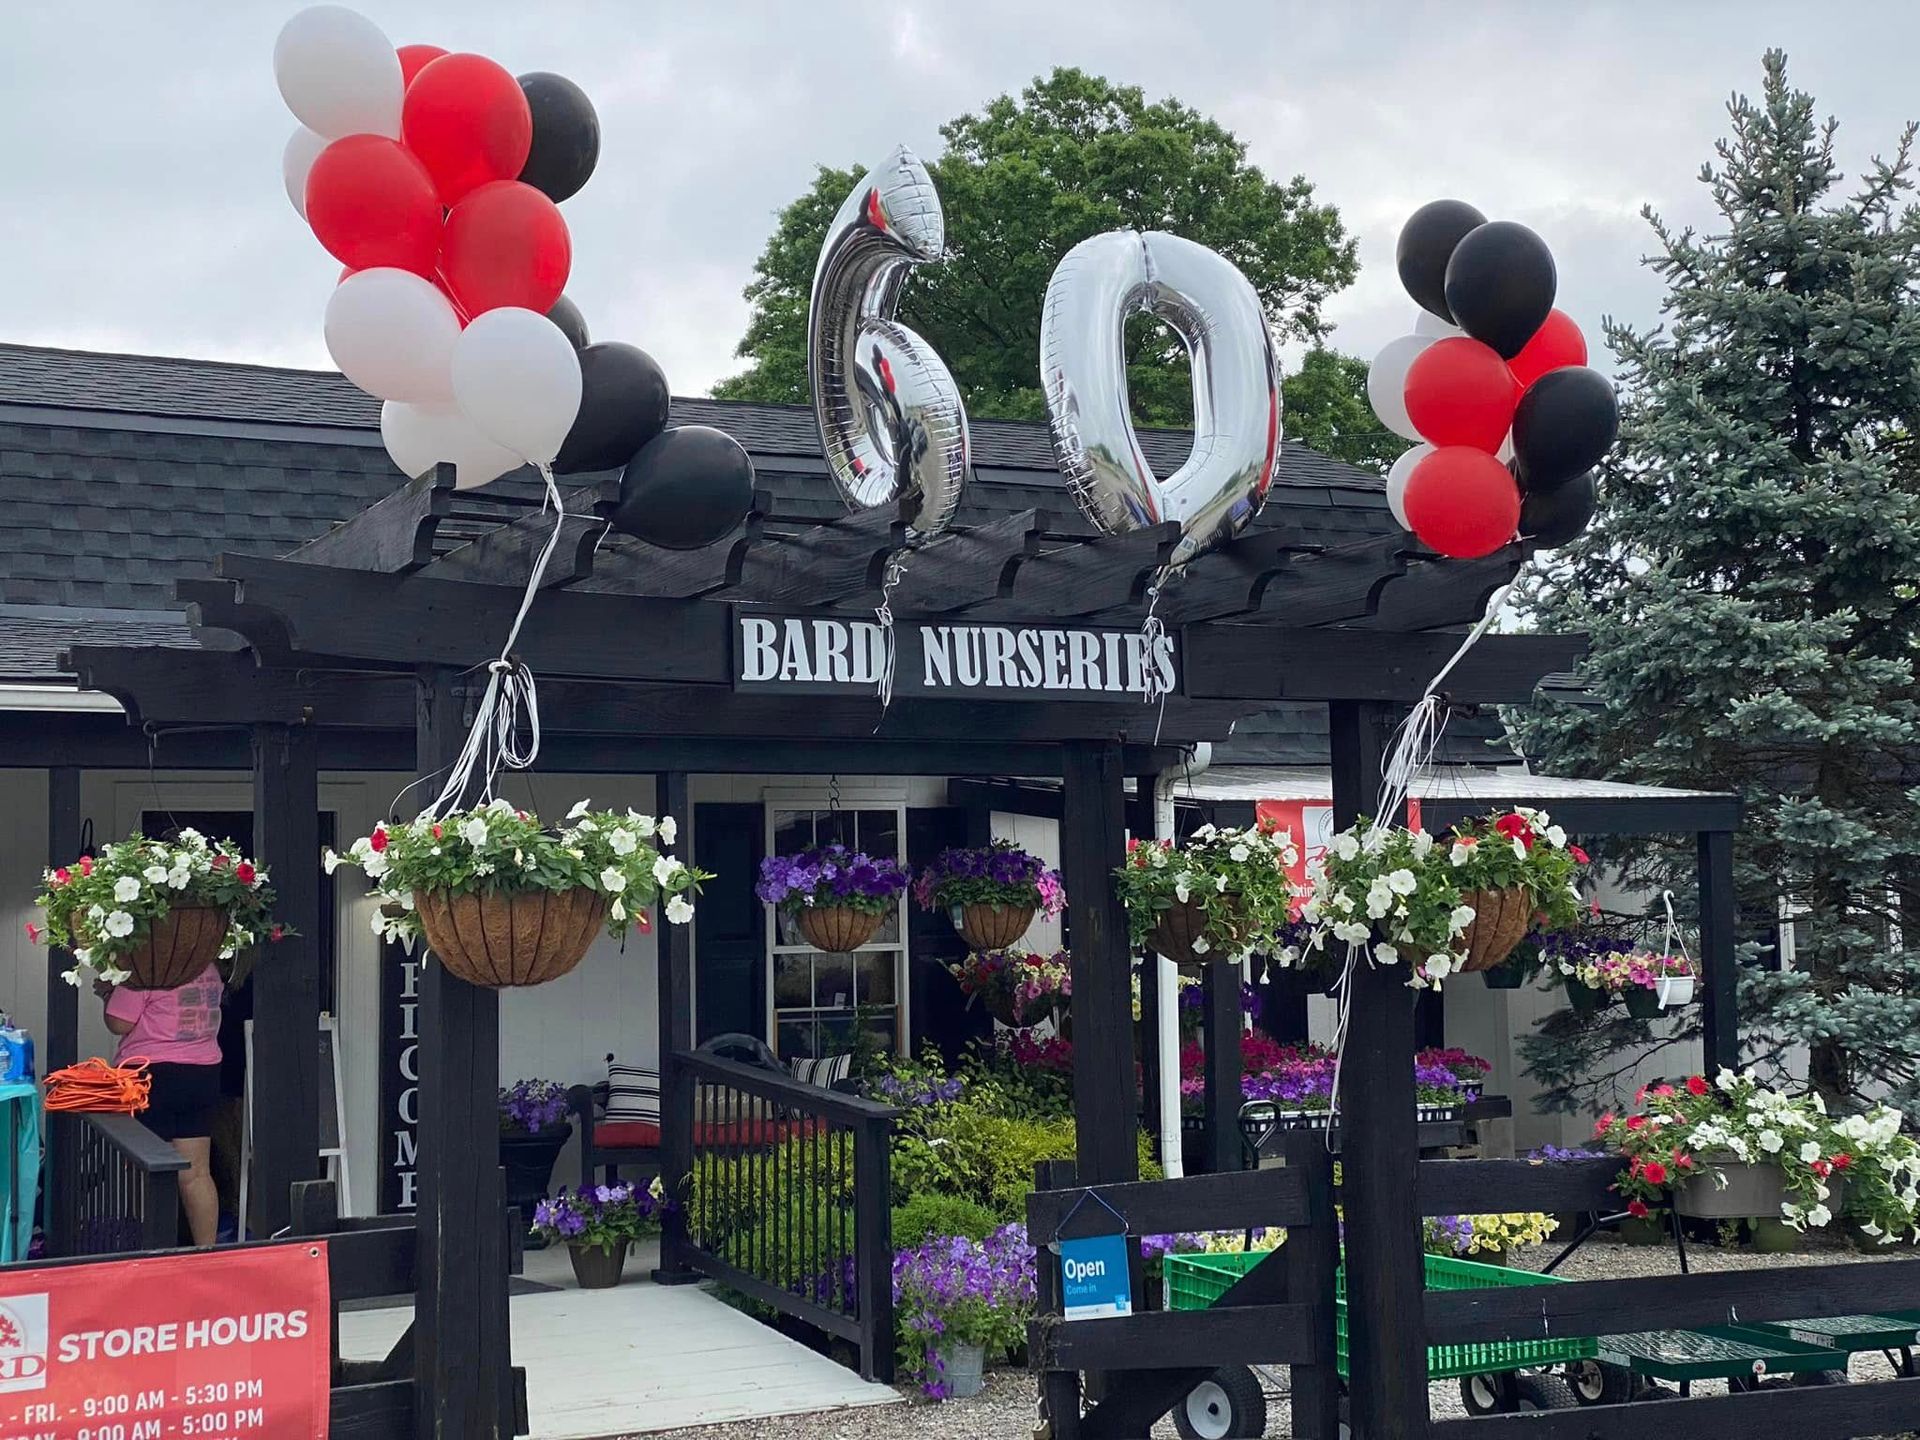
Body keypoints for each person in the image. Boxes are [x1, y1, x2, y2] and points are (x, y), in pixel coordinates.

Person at [98, 964, 224, 1246]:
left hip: (149, 1075)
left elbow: (120, 1022)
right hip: (202, 1072)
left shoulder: (149, 966)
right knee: (196, 1174)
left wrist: (108, 994)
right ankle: (207, 1251)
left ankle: (151, 1251)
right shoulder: (206, 967)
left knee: (144, 1169)